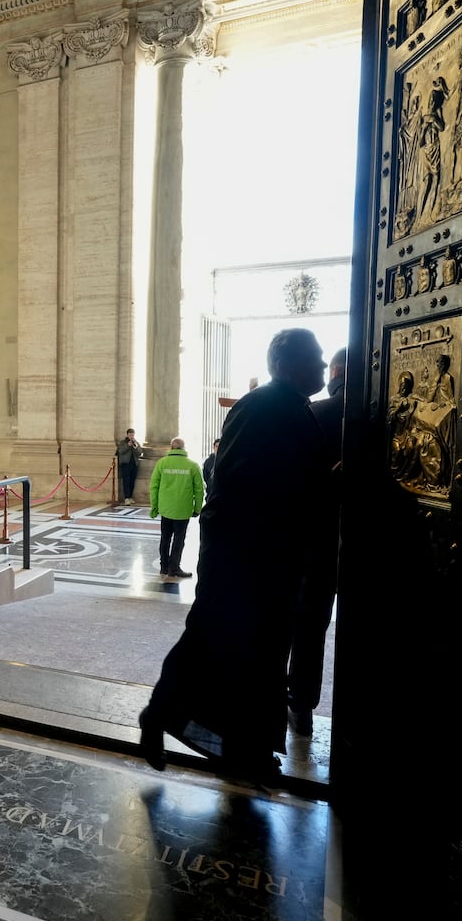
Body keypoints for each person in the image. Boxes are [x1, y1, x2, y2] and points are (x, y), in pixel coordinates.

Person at [137, 328, 329, 786]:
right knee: (216, 644)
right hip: (245, 559)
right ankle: (162, 715)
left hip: (269, 558)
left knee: (260, 657)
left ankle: (248, 749)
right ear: (285, 364)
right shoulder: (262, 405)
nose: (323, 368)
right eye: (315, 359)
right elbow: (240, 480)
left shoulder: (290, 406)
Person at [287, 346, 346, 735]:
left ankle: (302, 707)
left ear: (336, 371)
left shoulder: (315, 414)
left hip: (316, 544)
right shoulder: (388, 418)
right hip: (381, 547)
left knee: (308, 627)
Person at [149, 436, 203, 579]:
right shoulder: (192, 465)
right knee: (179, 540)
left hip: (165, 509)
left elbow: (154, 486)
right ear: (184, 448)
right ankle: (174, 568)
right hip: (183, 510)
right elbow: (199, 490)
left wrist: (154, 506)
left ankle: (163, 567)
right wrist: (197, 508)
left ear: (171, 447)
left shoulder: (162, 463)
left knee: (165, 538)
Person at [115, 428, 142, 503]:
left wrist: (135, 447)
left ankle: (130, 497)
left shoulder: (136, 442)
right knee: (126, 481)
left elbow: (140, 452)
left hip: (134, 464)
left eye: (132, 435)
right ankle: (126, 498)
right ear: (127, 435)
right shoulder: (123, 442)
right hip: (126, 464)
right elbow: (120, 451)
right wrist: (127, 445)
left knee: (132, 481)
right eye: (130, 435)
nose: (131, 436)